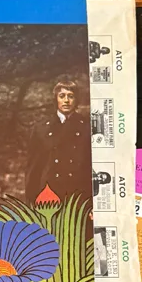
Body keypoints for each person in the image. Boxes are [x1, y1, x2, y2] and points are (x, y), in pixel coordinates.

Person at [25, 76, 92, 204]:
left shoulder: (87, 127)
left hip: (79, 197)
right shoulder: (41, 128)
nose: (66, 100)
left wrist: (92, 204)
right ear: (56, 99)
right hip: (49, 198)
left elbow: (92, 169)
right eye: (62, 96)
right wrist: (31, 203)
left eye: (71, 96)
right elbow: (33, 170)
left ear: (76, 100)